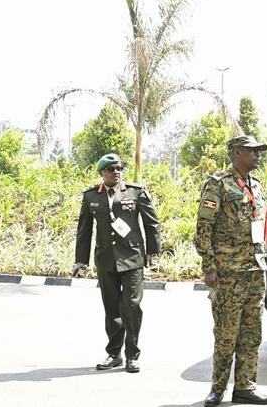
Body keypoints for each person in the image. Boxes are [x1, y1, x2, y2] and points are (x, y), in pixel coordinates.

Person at [194, 135, 267, 406]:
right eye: (252, 151)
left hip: (254, 270)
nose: (257, 155)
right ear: (237, 152)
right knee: (226, 334)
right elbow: (203, 229)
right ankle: (217, 388)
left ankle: (245, 386)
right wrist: (209, 266)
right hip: (228, 272)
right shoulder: (218, 184)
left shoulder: (256, 185)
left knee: (252, 333)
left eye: (258, 151)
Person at [71, 153, 161, 374]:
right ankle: (114, 354)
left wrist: (153, 252)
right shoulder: (91, 196)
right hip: (106, 260)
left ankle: (132, 355)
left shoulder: (135, 192)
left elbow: (152, 224)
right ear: (102, 173)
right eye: (111, 169)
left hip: (132, 258)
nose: (116, 172)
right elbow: (84, 231)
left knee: (131, 306)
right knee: (111, 309)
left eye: (119, 168)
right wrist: (80, 261)